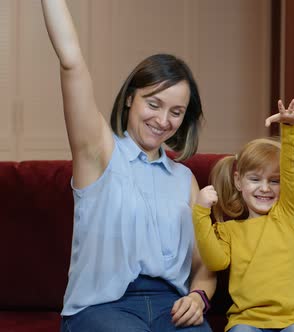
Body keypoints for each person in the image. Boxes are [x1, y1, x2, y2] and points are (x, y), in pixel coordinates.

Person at [41, 1, 215, 331]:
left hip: (171, 307)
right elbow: (71, 62)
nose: (163, 120)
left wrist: (198, 298)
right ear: (130, 98)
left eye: (176, 112)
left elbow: (204, 265)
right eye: (154, 104)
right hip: (101, 308)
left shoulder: (184, 179)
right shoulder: (99, 153)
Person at [193, 99, 294, 332]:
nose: (265, 188)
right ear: (238, 181)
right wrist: (201, 213)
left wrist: (290, 129)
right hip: (247, 320)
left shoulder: (289, 215)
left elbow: (292, 170)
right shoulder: (229, 230)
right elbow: (214, 261)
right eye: (255, 179)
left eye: (274, 181)